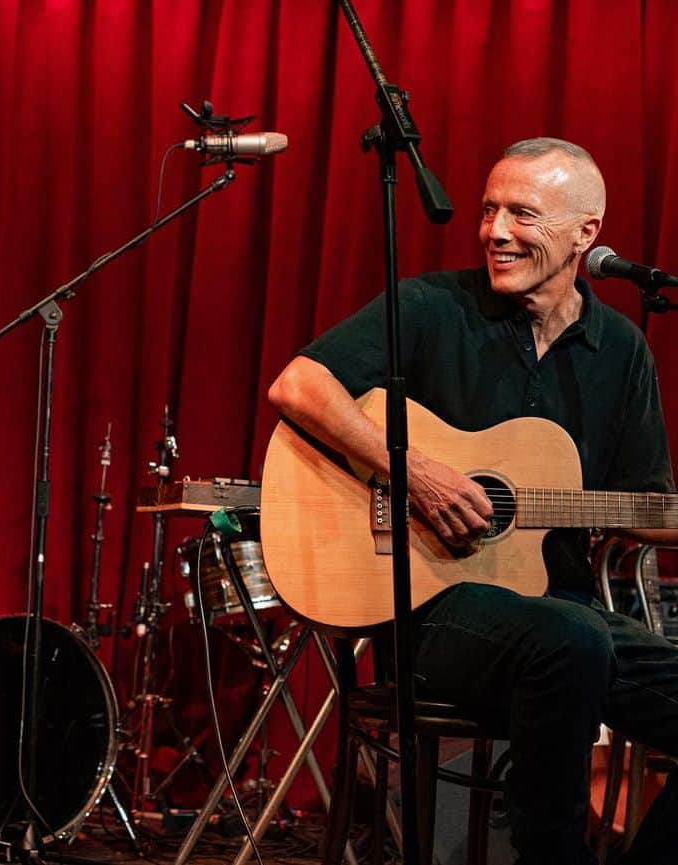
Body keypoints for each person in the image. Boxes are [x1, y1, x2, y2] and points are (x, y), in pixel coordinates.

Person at [269, 137, 678, 865]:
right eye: (490, 209)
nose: (494, 230)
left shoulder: (620, 350)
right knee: (572, 642)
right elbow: (298, 386)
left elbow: (649, 506)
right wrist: (412, 471)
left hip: (568, 610)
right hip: (434, 613)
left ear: (587, 232)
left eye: (522, 213)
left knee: (576, 634)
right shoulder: (431, 307)